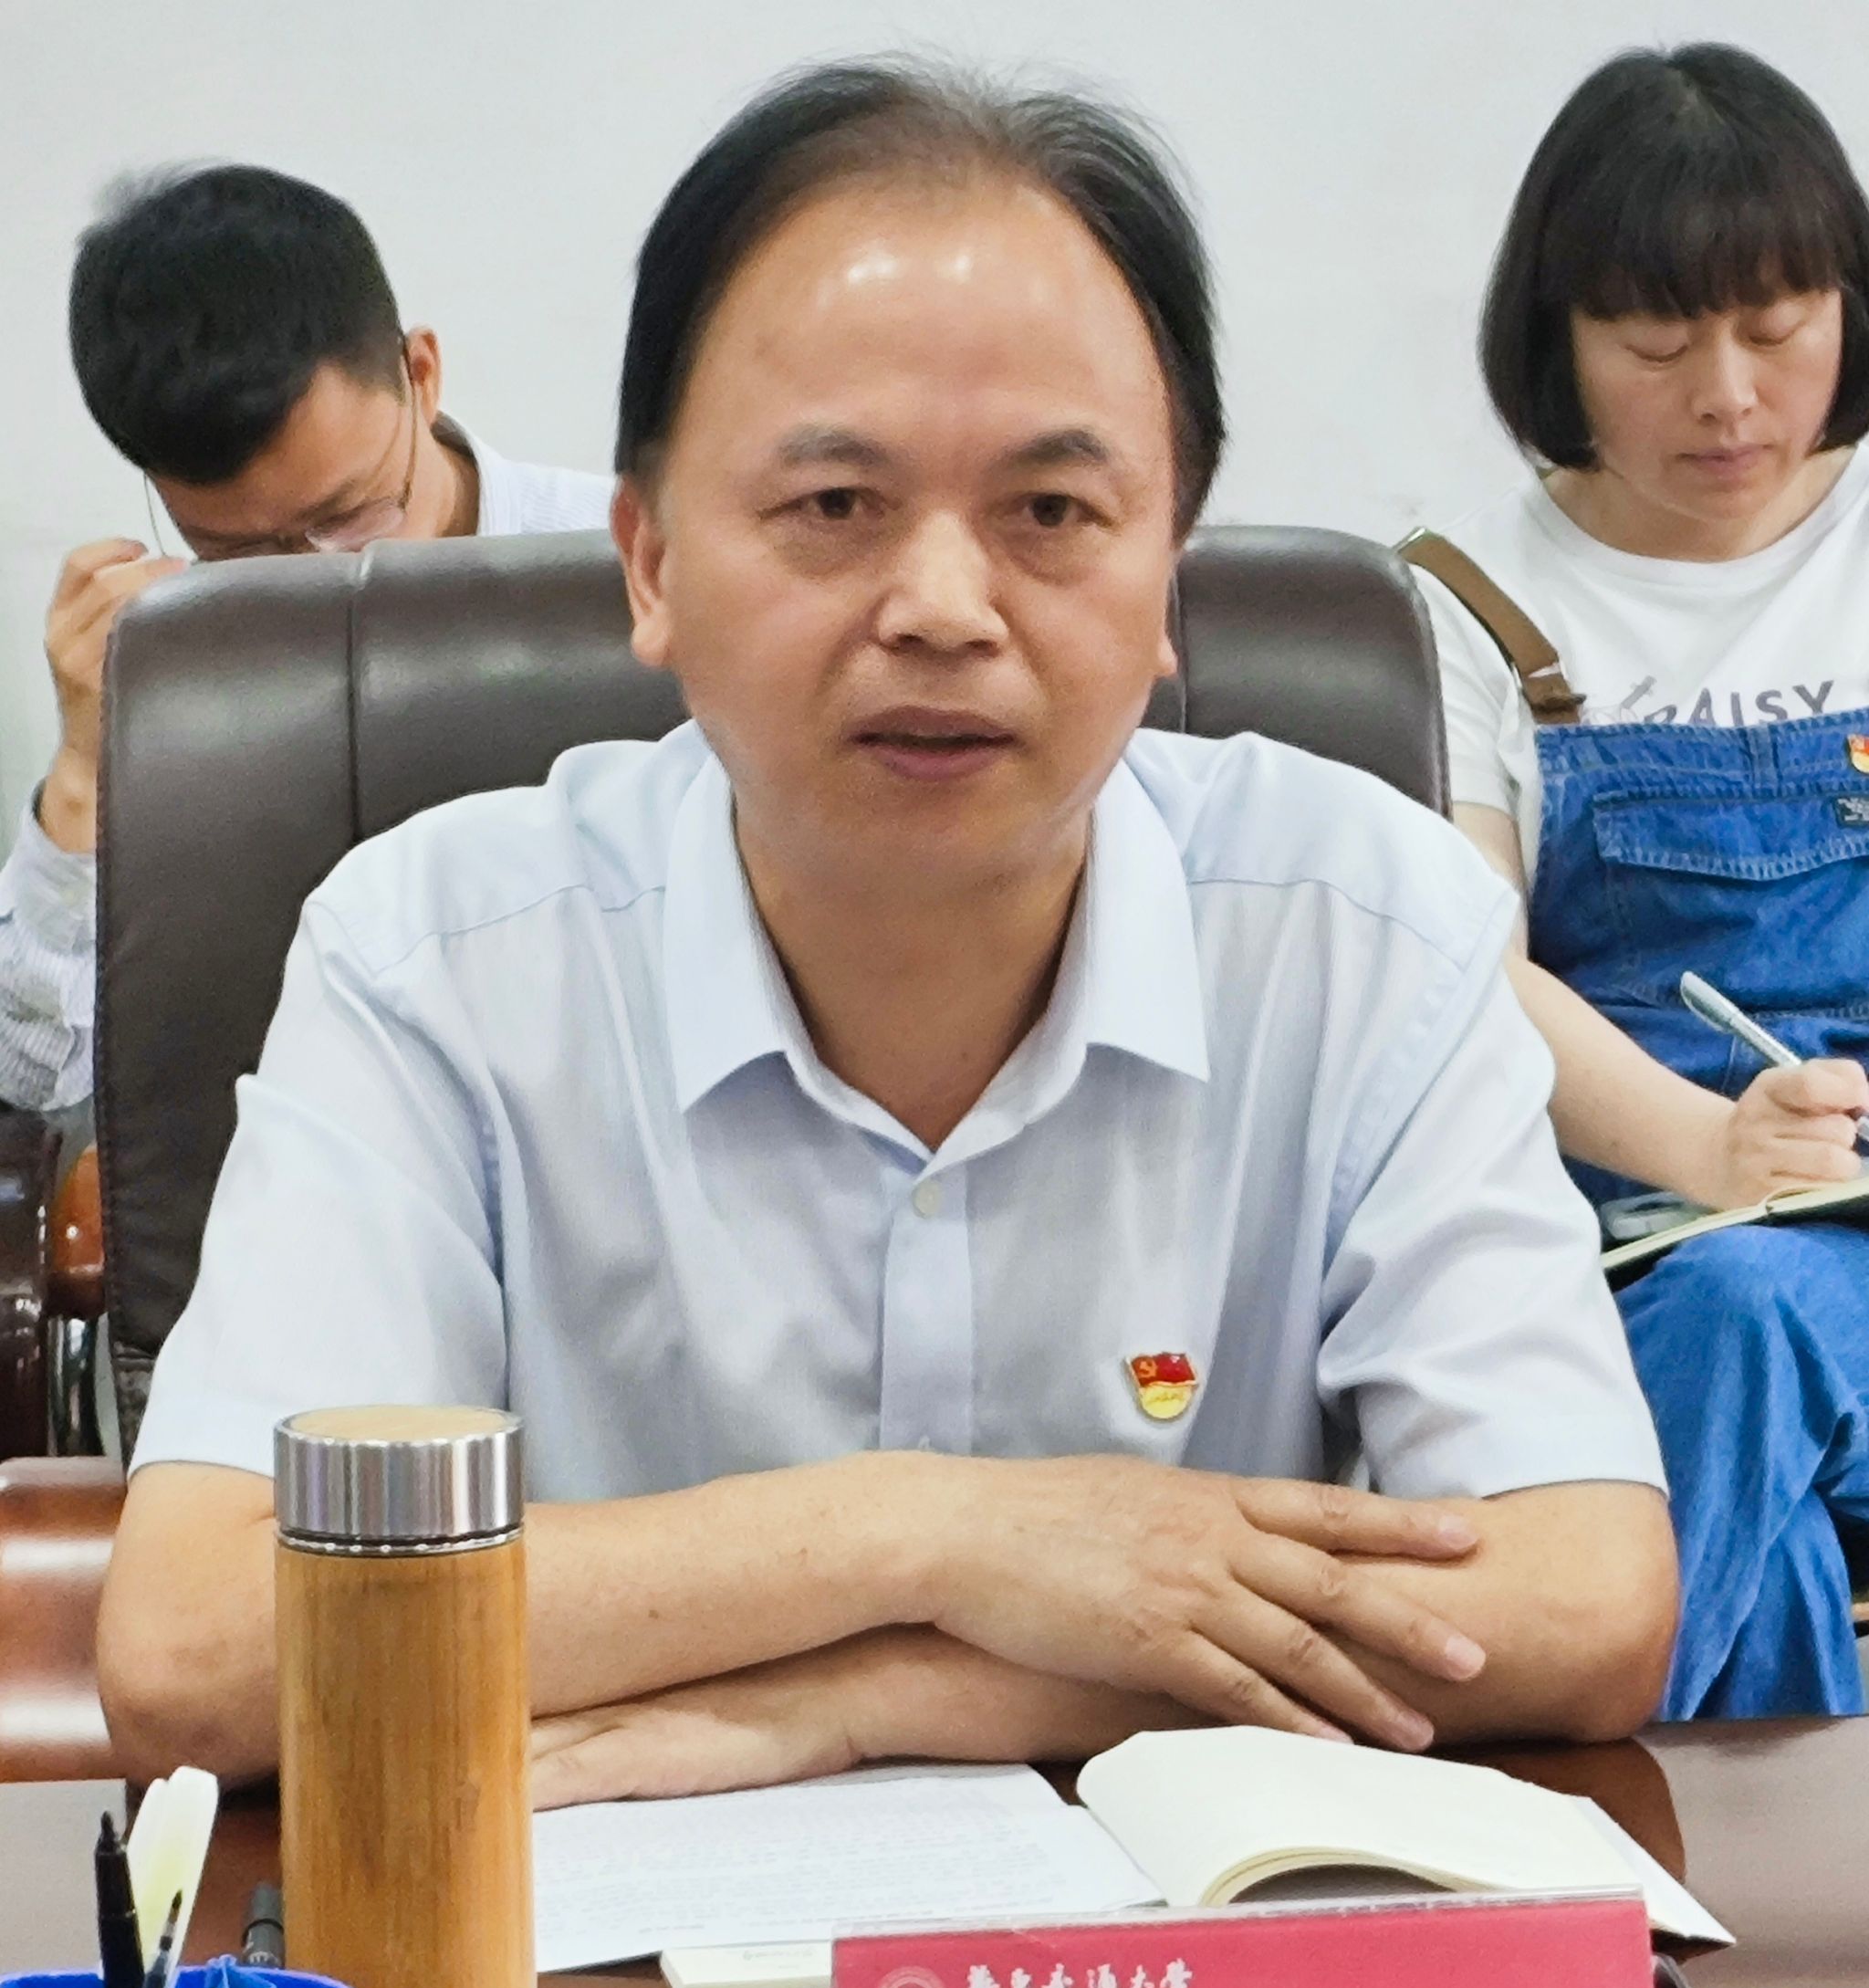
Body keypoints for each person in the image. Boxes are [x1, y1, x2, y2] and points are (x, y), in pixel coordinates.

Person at [99, 62, 1676, 1800]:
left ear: (1166, 570)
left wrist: (885, 1688)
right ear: (650, 564)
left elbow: (1580, 1598)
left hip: (1174, 1949)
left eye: (1050, 513)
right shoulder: (433, 956)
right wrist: (928, 1532)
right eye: (834, 508)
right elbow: (197, 1650)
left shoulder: (1362, 925)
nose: (941, 608)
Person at [1405, 43, 1869, 1720]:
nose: (1728, 397)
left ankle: (1525, 1813)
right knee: (1764, 1475)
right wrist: (1710, 1147)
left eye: (1777, 328)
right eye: (1659, 346)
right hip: (1620, 1234)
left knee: (1744, 1327)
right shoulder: (1458, 599)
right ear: (1562, 343)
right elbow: (1462, 963)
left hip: (1832, 1232)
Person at [0, 164, 614, 1115]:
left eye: (351, 516)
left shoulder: (630, 577)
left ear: (420, 374)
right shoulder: (173, 656)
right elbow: (37, 1076)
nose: (312, 574)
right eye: (238, 550)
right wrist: (82, 769)